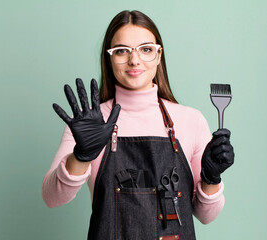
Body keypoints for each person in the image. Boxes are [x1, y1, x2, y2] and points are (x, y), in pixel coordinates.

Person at [42, 10, 234, 239]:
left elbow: (206, 216)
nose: (134, 60)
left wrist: (212, 179)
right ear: (109, 58)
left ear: (159, 55)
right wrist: (80, 157)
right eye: (122, 51)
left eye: (146, 49)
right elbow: (51, 198)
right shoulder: (90, 123)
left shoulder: (190, 120)